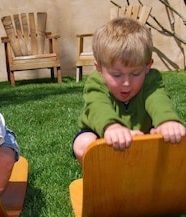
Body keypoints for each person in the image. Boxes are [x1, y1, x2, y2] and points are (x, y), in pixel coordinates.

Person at [73, 17, 186, 165]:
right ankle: (102, 176)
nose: (126, 83)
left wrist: (167, 122)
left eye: (135, 74)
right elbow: (97, 107)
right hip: (103, 135)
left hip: (143, 135)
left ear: (147, 66)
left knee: (174, 138)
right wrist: (112, 127)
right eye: (117, 75)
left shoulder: (151, 80)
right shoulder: (96, 82)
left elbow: (158, 100)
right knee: (82, 143)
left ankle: (149, 174)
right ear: (99, 68)